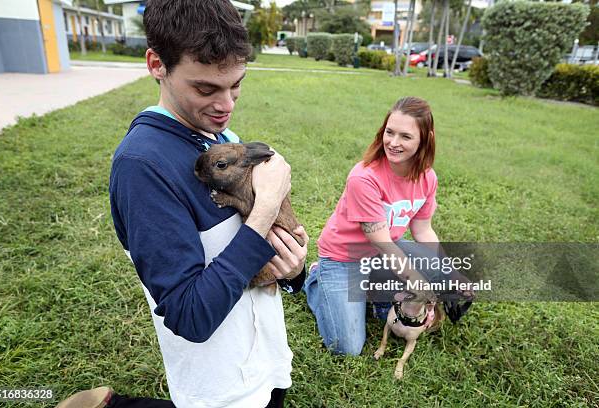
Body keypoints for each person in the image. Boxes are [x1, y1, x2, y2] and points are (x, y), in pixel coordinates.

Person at [56, 1, 308, 407]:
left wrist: (294, 269)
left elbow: (264, 249)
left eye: (236, 84)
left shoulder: (221, 138)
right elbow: (190, 315)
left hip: (263, 355)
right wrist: (264, 211)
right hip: (219, 378)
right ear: (157, 64)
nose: (226, 104)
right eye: (206, 88)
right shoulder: (143, 167)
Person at [303, 96, 471, 356]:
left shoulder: (427, 178)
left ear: (425, 138)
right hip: (345, 257)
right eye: (389, 133)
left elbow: (423, 230)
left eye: (405, 136)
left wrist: (450, 274)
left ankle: (372, 293)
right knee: (347, 347)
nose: (393, 143)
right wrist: (418, 284)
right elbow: (380, 241)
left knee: (438, 272)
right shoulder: (364, 177)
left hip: (384, 254)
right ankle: (316, 280)